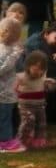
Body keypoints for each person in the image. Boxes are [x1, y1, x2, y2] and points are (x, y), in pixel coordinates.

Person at [16, 50, 53, 148]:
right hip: (26, 105)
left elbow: (45, 87)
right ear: (28, 66)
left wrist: (49, 84)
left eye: (42, 70)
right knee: (28, 121)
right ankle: (23, 140)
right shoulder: (21, 77)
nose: (39, 72)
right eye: (36, 69)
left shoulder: (42, 76)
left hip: (40, 105)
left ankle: (39, 140)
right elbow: (13, 88)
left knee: (41, 123)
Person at [0, 16, 25, 152]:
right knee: (4, 117)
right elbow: (2, 69)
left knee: (6, 115)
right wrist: (14, 56)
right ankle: (4, 141)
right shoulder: (4, 51)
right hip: (3, 93)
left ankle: (7, 138)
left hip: (8, 91)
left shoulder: (10, 49)